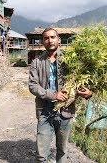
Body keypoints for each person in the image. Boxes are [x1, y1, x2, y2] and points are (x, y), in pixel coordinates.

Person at [29, 28, 92, 162]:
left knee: (62, 150)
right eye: (46, 38)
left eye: (52, 37)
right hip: (45, 111)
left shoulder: (70, 61)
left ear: (59, 40)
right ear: (43, 41)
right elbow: (33, 86)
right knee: (41, 155)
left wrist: (88, 92)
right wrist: (53, 95)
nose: (49, 40)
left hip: (66, 112)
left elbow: (82, 81)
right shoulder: (37, 62)